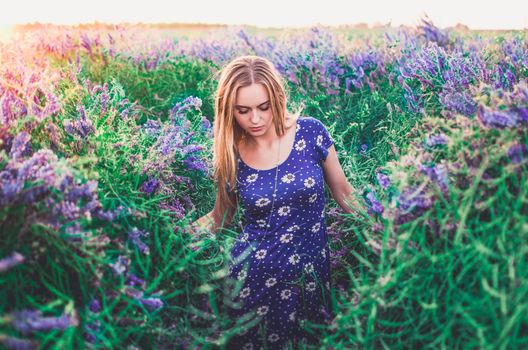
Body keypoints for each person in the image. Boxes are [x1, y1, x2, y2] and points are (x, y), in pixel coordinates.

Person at [188, 55, 361, 349]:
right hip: (251, 282)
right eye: (242, 110)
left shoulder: (311, 132)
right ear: (229, 110)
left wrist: (387, 224)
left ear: (277, 99)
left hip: (311, 278)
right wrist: (171, 237)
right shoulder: (231, 152)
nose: (254, 119)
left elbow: (344, 193)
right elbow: (220, 218)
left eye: (263, 107)